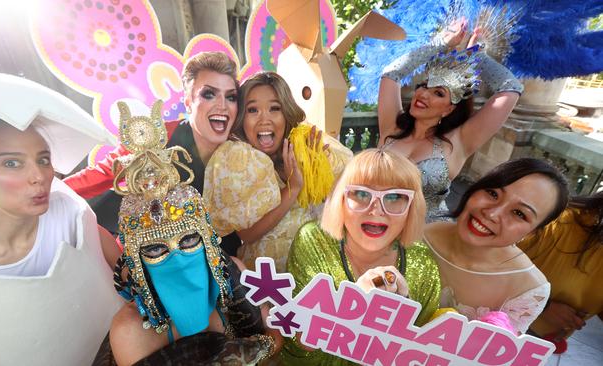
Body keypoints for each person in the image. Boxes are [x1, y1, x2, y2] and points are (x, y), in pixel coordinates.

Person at [0, 70, 122, 365]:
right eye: (11, 163)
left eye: (43, 160)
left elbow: (126, 269)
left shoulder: (69, 216)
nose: (39, 177)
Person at [108, 101, 278, 365]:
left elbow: (274, 332)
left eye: (188, 240)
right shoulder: (130, 330)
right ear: (136, 260)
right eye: (155, 249)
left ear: (208, 240)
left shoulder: (232, 274)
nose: (177, 257)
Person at [63, 51, 243, 254]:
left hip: (221, 260)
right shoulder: (156, 137)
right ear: (188, 102)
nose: (223, 105)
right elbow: (101, 174)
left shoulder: (242, 154)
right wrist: (51, 191)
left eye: (231, 97)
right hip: (155, 260)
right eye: (209, 94)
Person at [281, 148, 441, 365]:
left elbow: (421, 357)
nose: (376, 210)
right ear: (341, 200)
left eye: (394, 197)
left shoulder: (423, 264)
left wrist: (402, 327)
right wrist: (350, 305)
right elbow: (296, 351)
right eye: (362, 193)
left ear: (411, 209)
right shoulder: (313, 240)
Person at [203, 71, 352, 270]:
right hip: (264, 285)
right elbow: (247, 234)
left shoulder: (307, 147)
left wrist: (317, 170)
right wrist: (293, 188)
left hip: (313, 277)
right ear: (241, 118)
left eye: (274, 108)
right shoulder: (237, 160)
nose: (264, 119)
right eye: (253, 110)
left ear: (286, 113)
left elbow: (338, 215)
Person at [378, 20, 523, 222]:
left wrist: (477, 57)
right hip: (373, 222)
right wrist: (440, 43)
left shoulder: (460, 141)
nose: (423, 94)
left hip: (426, 240)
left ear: (449, 108)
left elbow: (511, 88)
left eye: (438, 93)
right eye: (423, 86)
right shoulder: (391, 126)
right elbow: (391, 74)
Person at [424, 158, 570, 335]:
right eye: (493, 193)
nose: (492, 213)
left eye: (519, 213)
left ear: (532, 232)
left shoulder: (528, 289)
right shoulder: (417, 233)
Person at [518, 191, 603, 352]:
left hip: (538, 345)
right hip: (495, 324)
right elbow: (486, 262)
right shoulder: (561, 221)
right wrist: (544, 305)